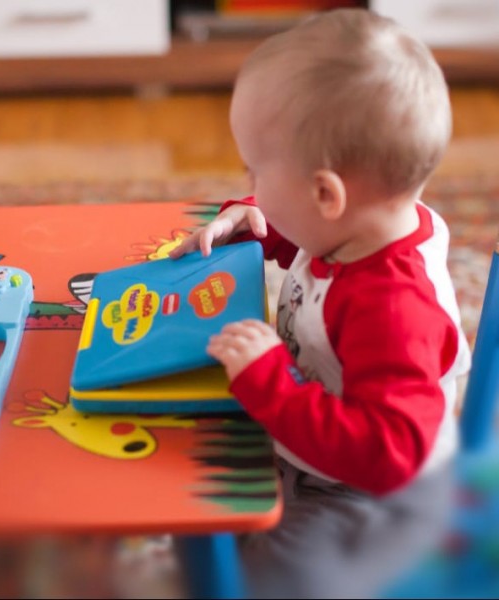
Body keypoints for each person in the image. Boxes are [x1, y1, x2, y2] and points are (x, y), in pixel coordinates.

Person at [169, 8, 471, 598]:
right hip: (320, 435)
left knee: (263, 585)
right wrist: (254, 221)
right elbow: (309, 229)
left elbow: (388, 456)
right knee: (193, 505)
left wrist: (269, 383)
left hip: (368, 496)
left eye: (257, 169)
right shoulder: (367, 220)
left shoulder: (392, 309)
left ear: (325, 193)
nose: (249, 177)